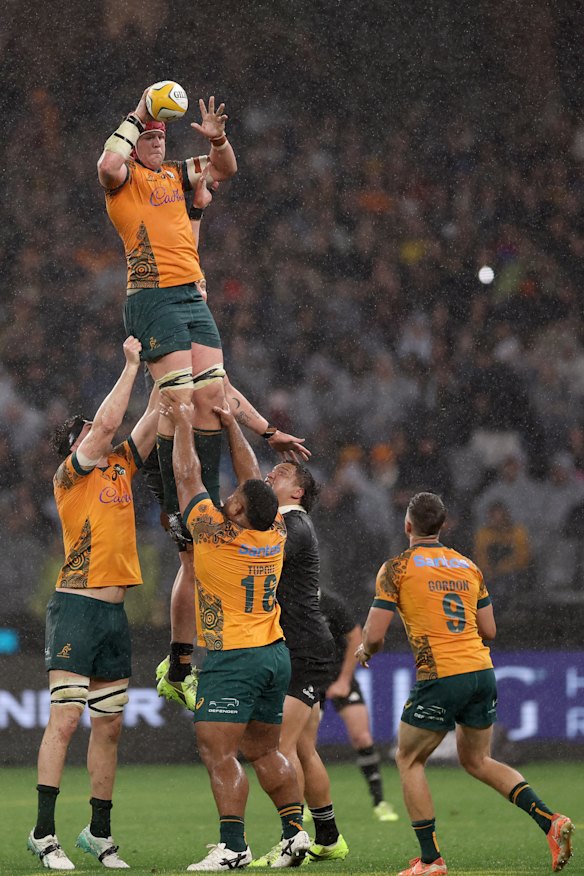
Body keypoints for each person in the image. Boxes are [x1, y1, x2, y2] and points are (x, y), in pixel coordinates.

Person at [143, 174, 311, 709]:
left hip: (190, 446)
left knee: (208, 391)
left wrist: (266, 430)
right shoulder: (173, 311)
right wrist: (194, 208)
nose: (205, 293)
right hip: (176, 452)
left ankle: (180, 661)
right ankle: (180, 664)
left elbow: (229, 394)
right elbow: (179, 254)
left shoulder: (198, 333)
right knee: (191, 562)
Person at [355, 491, 574, 876]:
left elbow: (374, 635)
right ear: (443, 526)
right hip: (480, 671)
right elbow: (489, 629)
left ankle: (430, 860)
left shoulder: (396, 568)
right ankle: (549, 821)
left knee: (408, 758)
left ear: (408, 526)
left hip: (441, 674)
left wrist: (366, 652)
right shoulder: (468, 566)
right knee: (478, 759)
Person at [161, 394, 311, 870]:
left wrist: (185, 423)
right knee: (265, 750)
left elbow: (187, 477)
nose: (227, 498)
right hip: (273, 654)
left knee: (218, 751)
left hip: (234, 657)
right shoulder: (275, 533)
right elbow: (252, 483)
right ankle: (294, 834)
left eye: (234, 501)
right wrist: (231, 426)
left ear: (241, 512)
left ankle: (233, 848)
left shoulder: (214, 531)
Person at [27, 337, 160, 871]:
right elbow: (107, 426)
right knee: (64, 721)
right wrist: (129, 365)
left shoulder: (120, 466)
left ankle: (98, 833)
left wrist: (162, 363)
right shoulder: (71, 476)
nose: (96, 428)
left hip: (112, 614)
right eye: (86, 428)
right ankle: (43, 834)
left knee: (108, 726)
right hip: (75, 609)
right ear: (74, 443)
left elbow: (152, 414)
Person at [97, 86, 237, 541]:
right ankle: (177, 508)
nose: (157, 142)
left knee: (211, 401)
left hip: (191, 298)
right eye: (149, 136)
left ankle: (208, 503)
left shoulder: (177, 174)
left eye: (162, 137)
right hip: (152, 297)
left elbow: (225, 169)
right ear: (136, 141)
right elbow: (106, 164)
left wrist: (217, 140)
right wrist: (138, 111)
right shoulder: (123, 180)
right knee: (177, 404)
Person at [250, 462, 349, 867]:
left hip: (301, 648)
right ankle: (328, 837)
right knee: (305, 746)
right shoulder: (292, 524)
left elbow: (260, 555)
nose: (271, 474)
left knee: (278, 745)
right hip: (306, 645)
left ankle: (292, 838)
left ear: (297, 493)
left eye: (283, 472)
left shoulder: (293, 526)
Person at [318, 587, 399, 822]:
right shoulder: (292, 601)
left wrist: (343, 680)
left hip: (338, 674)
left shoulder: (332, 602)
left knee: (362, 737)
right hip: (309, 676)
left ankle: (380, 802)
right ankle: (304, 805)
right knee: (303, 744)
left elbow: (355, 637)